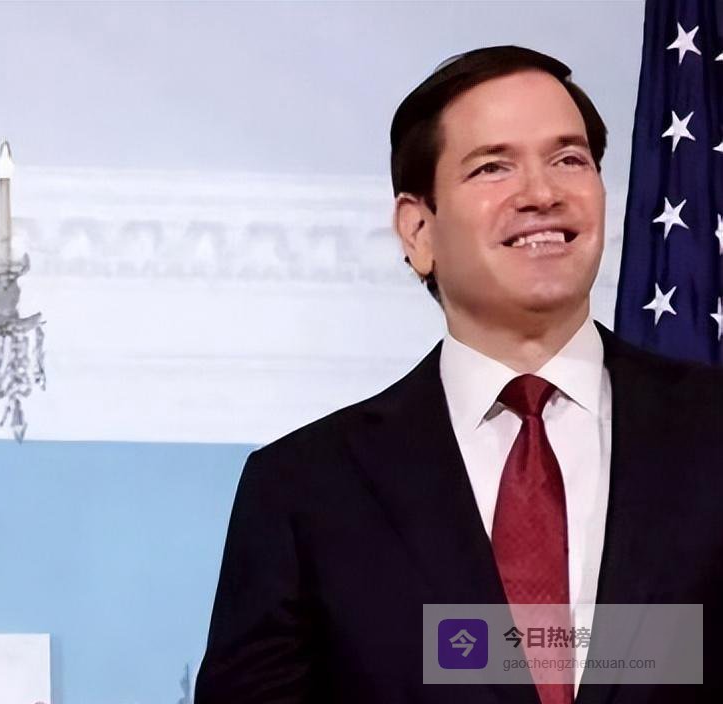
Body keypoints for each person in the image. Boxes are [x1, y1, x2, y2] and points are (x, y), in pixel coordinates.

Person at [196, 46, 723, 703]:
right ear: (419, 231)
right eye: (493, 167)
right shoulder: (305, 489)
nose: (542, 194)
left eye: (569, 159)